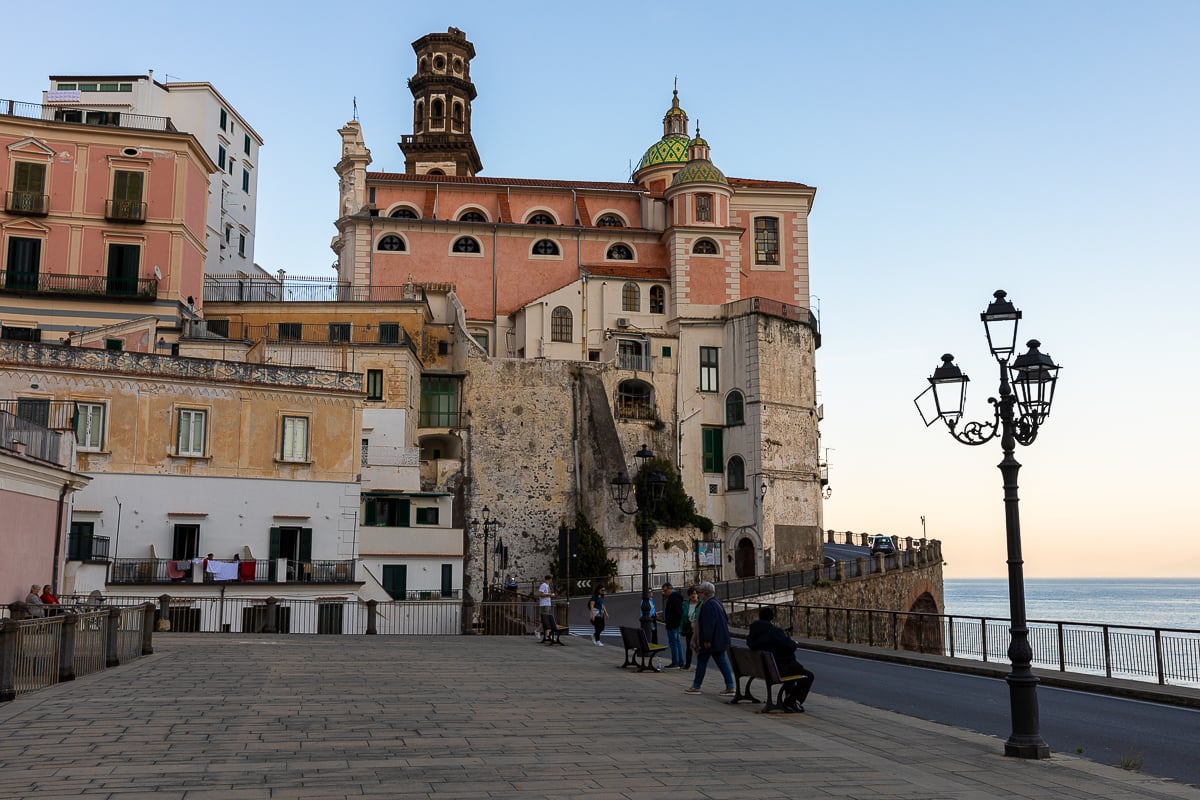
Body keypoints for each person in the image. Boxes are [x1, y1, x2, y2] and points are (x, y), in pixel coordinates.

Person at [747, 606, 815, 712]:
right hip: (777, 669)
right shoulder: (774, 632)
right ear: (772, 618)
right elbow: (790, 647)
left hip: (763, 669)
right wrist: (793, 643)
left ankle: (789, 697)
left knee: (793, 669)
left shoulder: (753, 631)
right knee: (808, 676)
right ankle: (791, 701)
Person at [685, 581, 735, 695]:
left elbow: (708, 624)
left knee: (702, 661)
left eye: (700, 592)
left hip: (711, 641)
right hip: (720, 639)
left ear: (705, 593)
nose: (699, 594)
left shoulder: (707, 605)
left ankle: (696, 686)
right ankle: (730, 685)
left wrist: (707, 640)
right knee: (722, 662)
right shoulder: (717, 603)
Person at [662, 582, 685, 668]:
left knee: (673, 643)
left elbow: (677, 612)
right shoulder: (676, 597)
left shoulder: (673, 598)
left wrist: (671, 620)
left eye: (665, 591)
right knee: (677, 642)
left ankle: (675, 661)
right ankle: (680, 661)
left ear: (669, 589)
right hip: (675, 623)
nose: (664, 593)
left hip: (672, 624)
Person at [681, 586, 701, 670]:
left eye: (695, 593)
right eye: (692, 594)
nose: (693, 595)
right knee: (689, 646)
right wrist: (681, 629)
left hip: (698, 629)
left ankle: (700, 665)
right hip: (689, 628)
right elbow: (683, 617)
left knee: (698, 647)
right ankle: (687, 664)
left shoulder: (701, 604)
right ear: (689, 596)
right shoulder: (686, 605)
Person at [535, 575, 555, 641]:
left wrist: (550, 595)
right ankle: (539, 631)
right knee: (545, 620)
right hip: (544, 605)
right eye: (551, 579)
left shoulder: (547, 586)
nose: (552, 580)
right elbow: (539, 594)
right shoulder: (543, 585)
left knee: (547, 620)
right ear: (549, 579)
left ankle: (546, 634)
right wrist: (549, 595)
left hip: (547, 604)